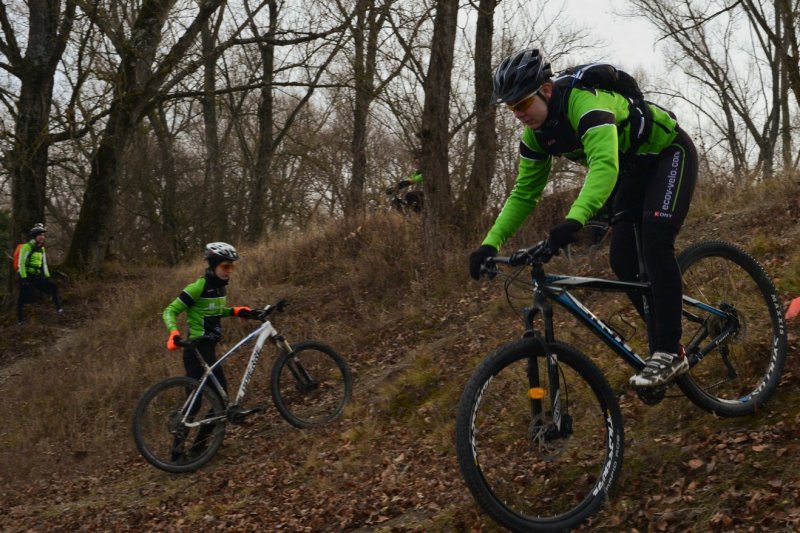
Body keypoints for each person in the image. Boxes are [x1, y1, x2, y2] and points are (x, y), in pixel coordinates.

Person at [469, 48, 698, 388]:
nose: (517, 114)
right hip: (632, 172)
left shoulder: (585, 106)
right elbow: (523, 194)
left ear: (546, 90)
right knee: (622, 260)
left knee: (655, 240)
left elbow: (604, 166)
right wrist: (489, 244)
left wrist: (573, 221)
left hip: (667, 153)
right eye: (511, 107)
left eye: (521, 103)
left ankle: (668, 351)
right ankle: (664, 337)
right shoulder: (535, 136)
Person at [162, 242, 285, 460]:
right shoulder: (197, 287)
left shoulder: (219, 288)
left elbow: (216, 311)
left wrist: (242, 312)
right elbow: (170, 310)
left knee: (219, 399)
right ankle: (177, 454)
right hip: (196, 348)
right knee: (197, 400)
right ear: (213, 266)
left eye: (232, 268)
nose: (229, 271)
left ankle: (199, 447)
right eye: (225, 267)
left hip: (209, 347)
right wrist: (174, 333)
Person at [16, 223, 62, 325]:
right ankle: (20, 320)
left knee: (53, 287)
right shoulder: (27, 247)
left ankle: (59, 309)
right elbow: (21, 263)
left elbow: (44, 264)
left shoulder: (42, 248)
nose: (42, 237)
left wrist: (47, 276)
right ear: (35, 236)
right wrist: (23, 278)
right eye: (40, 235)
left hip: (36, 276)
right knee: (23, 298)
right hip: (26, 276)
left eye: (43, 235)